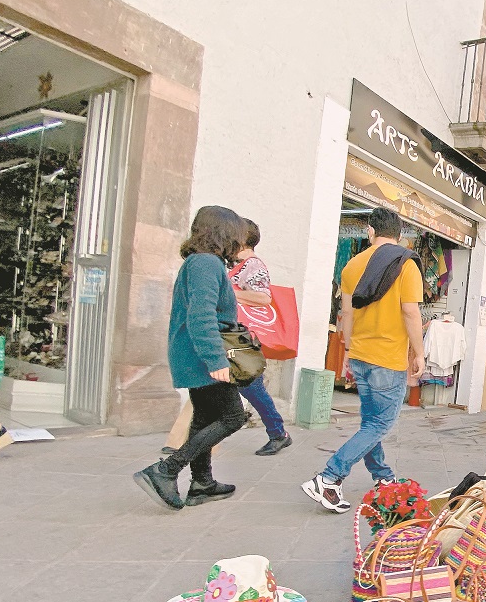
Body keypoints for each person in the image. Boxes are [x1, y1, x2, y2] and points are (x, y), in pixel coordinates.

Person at [302, 207, 424, 513]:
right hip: (387, 356)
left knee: (371, 422)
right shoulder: (405, 264)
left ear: (370, 231)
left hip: (360, 354)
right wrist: (419, 353)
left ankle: (383, 477)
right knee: (381, 423)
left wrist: (351, 348)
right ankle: (329, 477)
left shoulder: (351, 265)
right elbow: (410, 312)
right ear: (399, 235)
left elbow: (348, 313)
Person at [133, 205, 251, 510]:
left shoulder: (201, 263)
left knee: (204, 418)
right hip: (203, 356)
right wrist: (216, 360)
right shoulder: (206, 265)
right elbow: (201, 316)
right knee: (233, 417)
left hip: (194, 353)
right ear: (224, 234)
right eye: (237, 236)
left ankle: (202, 483)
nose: (240, 242)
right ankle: (166, 470)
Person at [231, 219, 291, 455]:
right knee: (244, 387)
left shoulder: (253, 265)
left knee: (252, 387)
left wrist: (231, 293)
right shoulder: (239, 264)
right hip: (234, 336)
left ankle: (278, 433)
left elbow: (264, 297)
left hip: (244, 338)